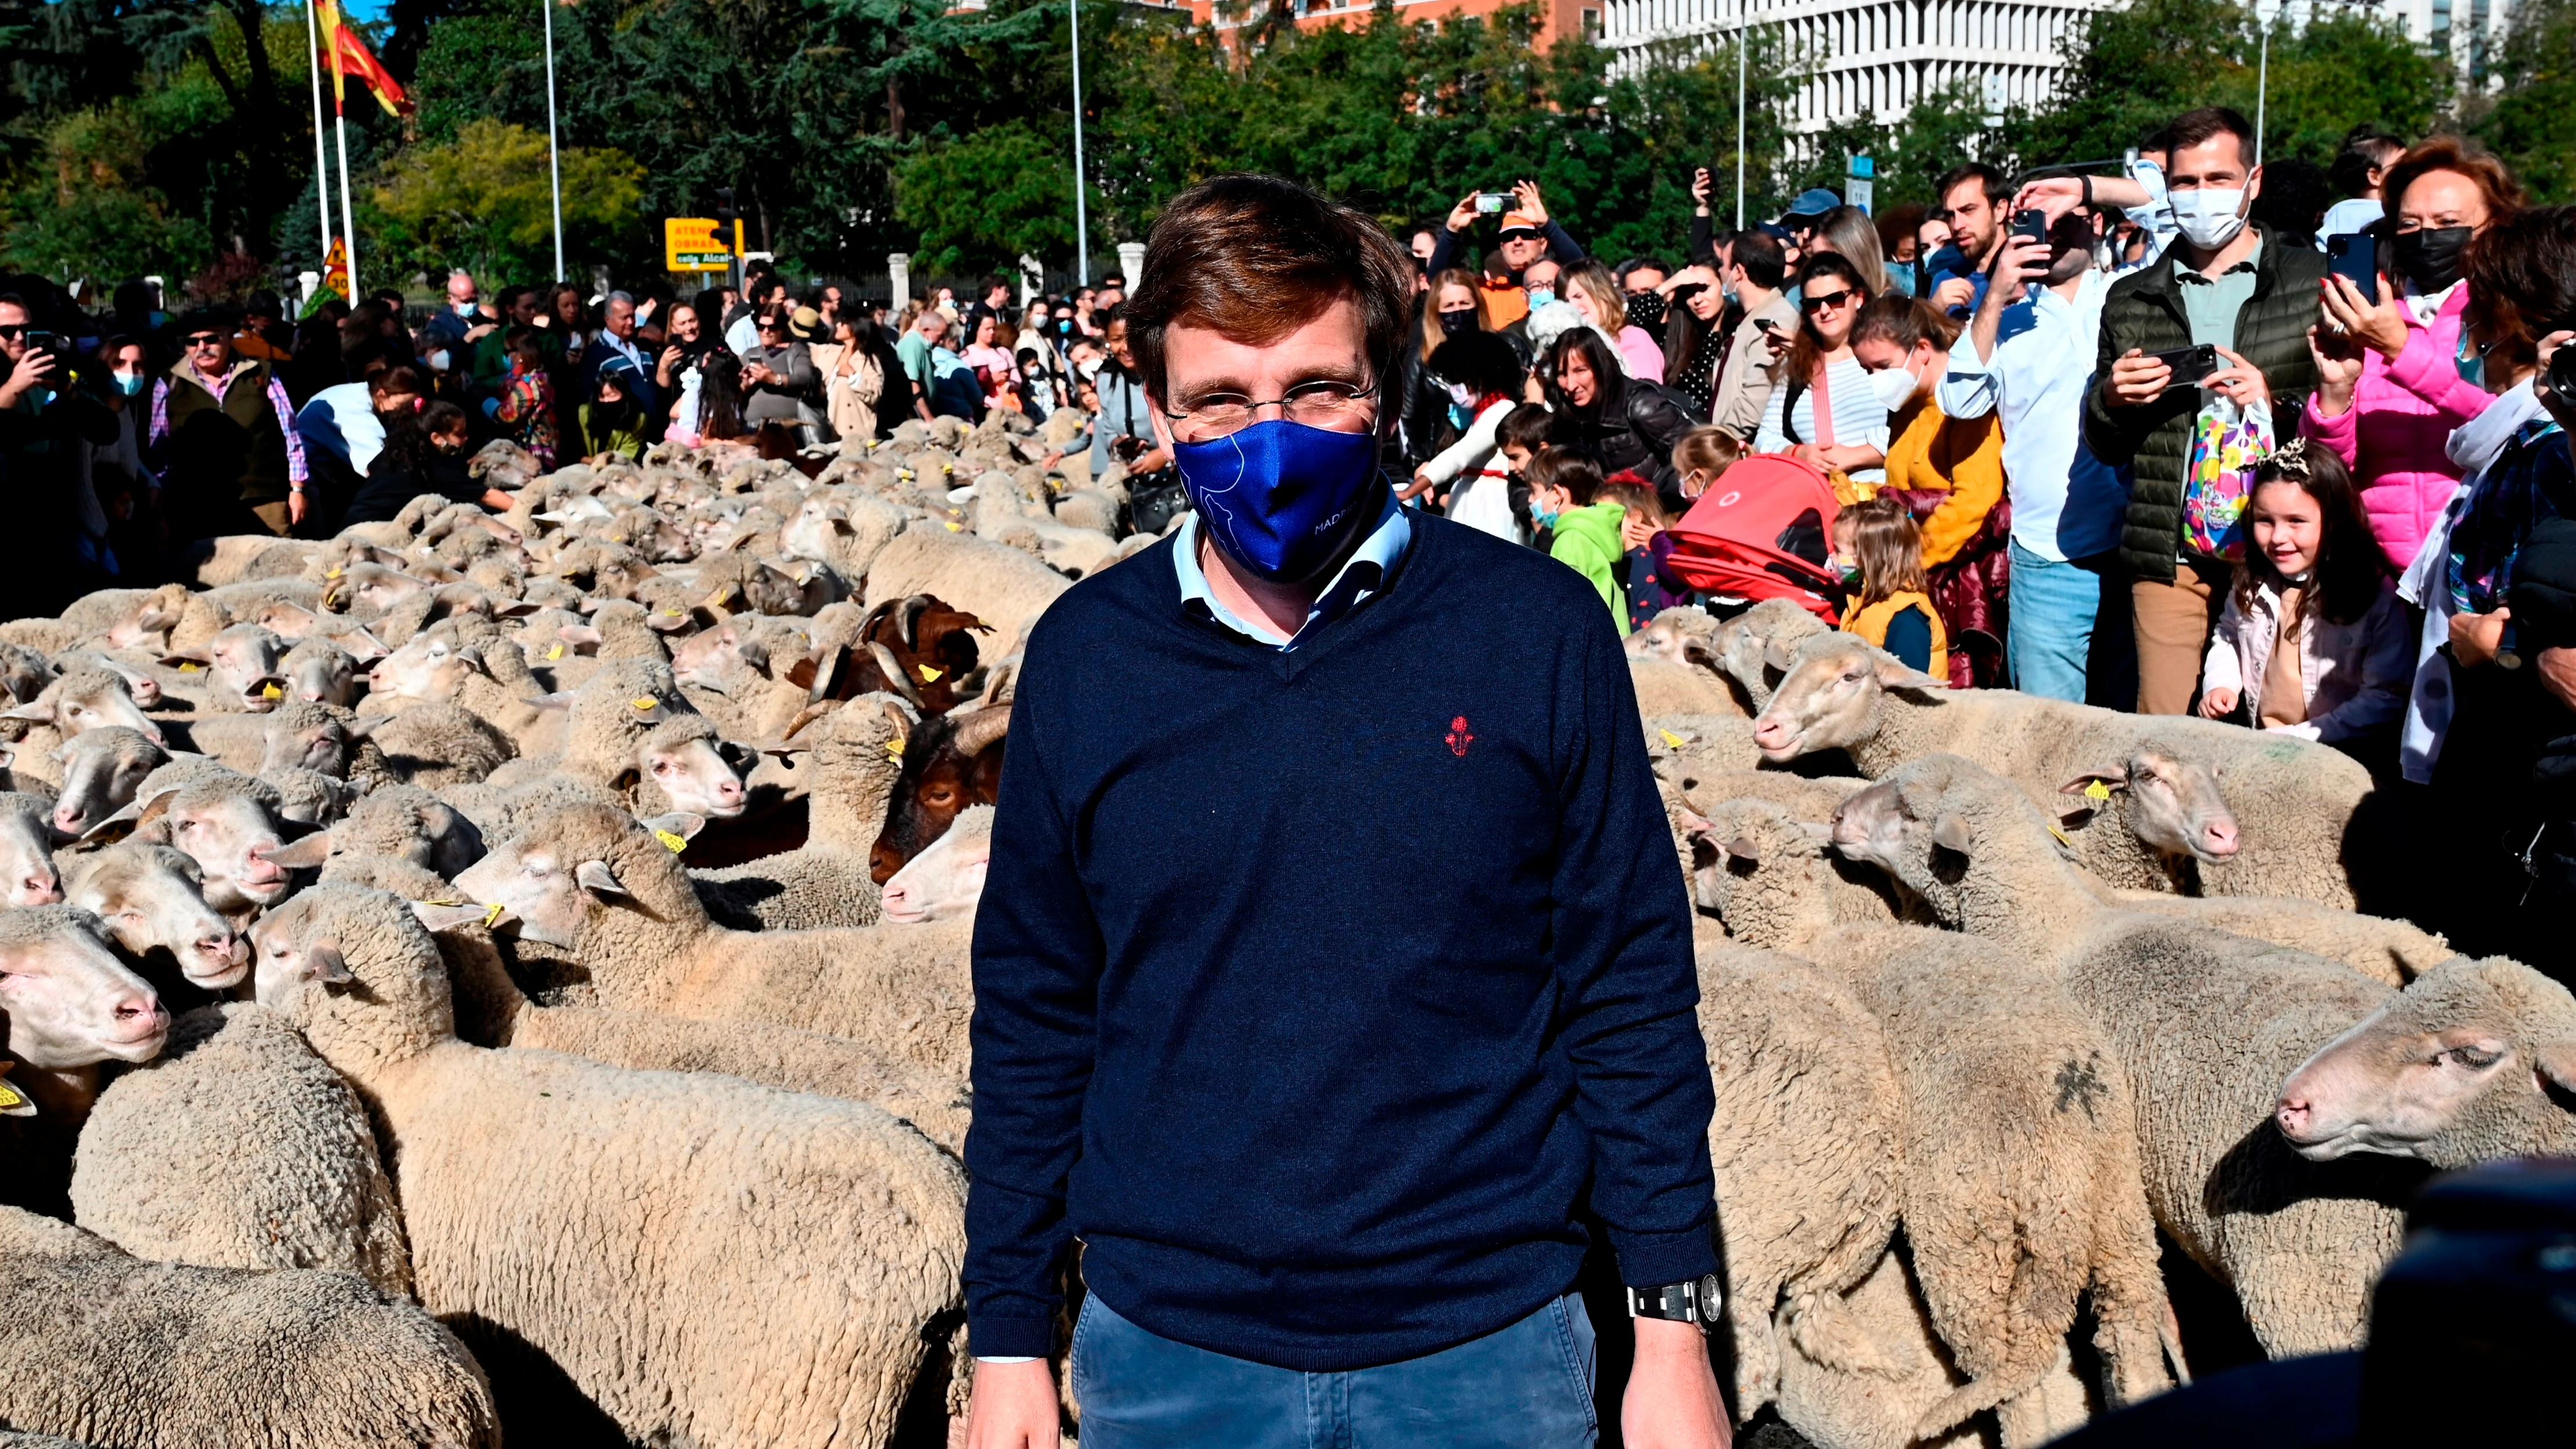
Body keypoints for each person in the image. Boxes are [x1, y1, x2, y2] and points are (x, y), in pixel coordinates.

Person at [961, 173, 1726, 1449]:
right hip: (1173, 1347)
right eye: (1219, 400)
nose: (1269, 432)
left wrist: (1673, 1329)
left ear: (1388, 392)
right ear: (1160, 410)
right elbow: (1037, 1007)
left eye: (1318, 389)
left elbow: (1628, 984)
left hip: (1488, 1340)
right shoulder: (1090, 659)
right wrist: (1007, 1336)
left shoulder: (1531, 631)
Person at [2085, 105, 2328, 716]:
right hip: (2170, 547)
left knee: (2281, 724)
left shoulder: (2310, 280)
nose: (2200, 196)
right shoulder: (2131, 295)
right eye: (2185, 182)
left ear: (2255, 181)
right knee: (2164, 732)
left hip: (2285, 543)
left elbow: (2348, 409)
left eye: (2218, 179)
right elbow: (2105, 443)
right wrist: (2113, 397)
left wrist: (2277, 405)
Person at [1940, 201, 2135, 705]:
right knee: (2057, 737)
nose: (2051, 234)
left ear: (2095, 221)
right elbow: (1960, 399)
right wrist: (1996, 295)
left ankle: (2108, 794)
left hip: (2135, 549)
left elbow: (2167, 203)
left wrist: (2089, 185)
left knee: (2130, 726)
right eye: (2037, 222)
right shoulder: (2007, 320)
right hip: (2047, 556)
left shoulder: (2132, 293)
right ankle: (2078, 794)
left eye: (2065, 217)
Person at [2304, 138, 2521, 572]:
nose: (2426, 236)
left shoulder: (2512, 319)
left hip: (2478, 569)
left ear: (2494, 225)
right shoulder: (2373, 318)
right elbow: (2326, 470)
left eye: (2448, 222)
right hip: (2381, 577)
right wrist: (2335, 394)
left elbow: (2512, 425)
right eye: (2408, 224)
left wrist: (2400, 350)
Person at [2195, 439, 2409, 752]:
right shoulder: (2253, 581)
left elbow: (2386, 697)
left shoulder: (2373, 596)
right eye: (2265, 521)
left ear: (2334, 521)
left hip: (2343, 756)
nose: (2279, 538)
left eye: (2296, 521)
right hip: (2263, 747)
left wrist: (2301, 737)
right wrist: (2221, 683)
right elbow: (2228, 636)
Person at [1850, 295, 2007, 686]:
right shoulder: (1907, 405)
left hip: (1955, 583)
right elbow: (1898, 489)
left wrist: (1911, 558)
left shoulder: (1965, 404)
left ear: (1921, 350)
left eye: (1882, 366)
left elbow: (1976, 500)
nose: (1875, 380)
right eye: (1866, 369)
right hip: (1915, 578)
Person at [0, 293, 118, 613]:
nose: (20, 338)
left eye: (27, 328)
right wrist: (13, 388)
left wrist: (67, 390)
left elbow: (107, 430)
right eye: (7, 332)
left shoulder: (51, 369)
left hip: (55, 518)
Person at [146, 309, 309, 541]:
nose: (202, 347)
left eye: (211, 338)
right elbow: (160, 448)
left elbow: (291, 434)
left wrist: (298, 489)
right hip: (198, 506)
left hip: (265, 499)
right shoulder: (168, 383)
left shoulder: (260, 373)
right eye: (193, 342)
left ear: (228, 336)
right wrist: (164, 502)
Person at [1756, 254, 1889, 485]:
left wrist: (1855, 456)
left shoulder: (1886, 354)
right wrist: (1799, 453)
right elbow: (1765, 437)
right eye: (1814, 304)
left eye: (1836, 299)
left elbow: (1915, 428)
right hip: (1821, 502)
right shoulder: (1797, 364)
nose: (1825, 310)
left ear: (1858, 298)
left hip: (1884, 500)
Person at [1545, 328, 1695, 505]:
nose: (1570, 385)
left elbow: (1691, 458)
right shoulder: (1568, 420)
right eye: (1562, 374)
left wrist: (1651, 504)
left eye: (1580, 371)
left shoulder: (1642, 407)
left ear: (1600, 367)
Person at [1408, 331, 1523, 540]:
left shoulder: (1502, 410)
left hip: (1489, 506)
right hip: (1470, 501)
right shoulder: (1480, 414)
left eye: (1464, 380)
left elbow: (1459, 455)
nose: (1458, 387)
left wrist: (1409, 492)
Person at [1427, 180, 1586, 329]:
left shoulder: (1557, 287)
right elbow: (1437, 282)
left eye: (1526, 235)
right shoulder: (1485, 292)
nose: (1517, 241)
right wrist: (1452, 231)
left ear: (1543, 243)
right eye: (1509, 237)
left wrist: (1547, 225)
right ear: (1502, 246)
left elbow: (1585, 272)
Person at [1833, 495, 1947, 676]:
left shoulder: (1906, 617)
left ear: (1869, 558)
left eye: (1839, 551)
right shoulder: (1861, 599)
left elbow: (1908, 691)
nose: (1833, 557)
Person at [1706, 229, 1799, 443]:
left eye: (1723, 264)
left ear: (1738, 271)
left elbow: (1754, 404)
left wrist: (1714, 446)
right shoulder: (1751, 319)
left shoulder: (1773, 322)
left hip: (1737, 452)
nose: (1720, 271)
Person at [1601, 476, 1694, 632]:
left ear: (1636, 518)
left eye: (1610, 516)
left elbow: (1647, 613)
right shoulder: (1624, 559)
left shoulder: (1643, 559)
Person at [1923, 164, 2010, 318]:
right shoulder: (1944, 281)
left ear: (2000, 210)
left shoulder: (2032, 274)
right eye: (1950, 215)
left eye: (1969, 210)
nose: (1957, 225)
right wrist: (1935, 312)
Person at [1088, 317, 1164, 484]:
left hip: (1178, 478)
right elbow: (1109, 430)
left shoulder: (1165, 373)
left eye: (1133, 337)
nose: (1126, 347)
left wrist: (1165, 455)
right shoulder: (1105, 380)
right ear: (1107, 340)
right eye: (1117, 339)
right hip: (1136, 480)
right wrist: (1120, 443)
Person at [1562, 261, 1664, 383]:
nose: (1571, 305)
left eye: (1579, 296)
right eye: (1564, 301)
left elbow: (1649, 397)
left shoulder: (1633, 339)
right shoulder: (1566, 349)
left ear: (1603, 294)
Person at [741, 310, 821, 436]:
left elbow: (804, 378)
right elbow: (734, 395)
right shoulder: (749, 354)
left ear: (782, 329)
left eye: (772, 327)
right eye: (761, 327)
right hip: (753, 426)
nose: (766, 332)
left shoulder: (795, 350)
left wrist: (773, 379)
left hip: (787, 425)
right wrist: (745, 385)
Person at [812, 314, 889, 442]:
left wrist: (853, 376)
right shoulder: (831, 352)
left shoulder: (868, 360)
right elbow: (803, 349)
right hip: (833, 431)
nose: (838, 325)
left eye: (843, 323)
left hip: (858, 434)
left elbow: (875, 393)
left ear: (856, 327)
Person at [2322, 129, 2408, 243]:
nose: (2411, 171)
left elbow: (2321, 253)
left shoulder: (2339, 215)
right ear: (2375, 177)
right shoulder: (2396, 213)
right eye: (2403, 165)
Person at [491, 327, 558, 468]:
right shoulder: (542, 376)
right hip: (544, 449)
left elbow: (508, 417)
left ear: (521, 353)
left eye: (508, 351)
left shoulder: (527, 385)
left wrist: (487, 404)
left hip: (533, 454)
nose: (506, 357)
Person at [577, 362, 648, 461]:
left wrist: (603, 461)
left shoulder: (638, 420)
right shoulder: (584, 413)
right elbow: (576, 447)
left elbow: (629, 452)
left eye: (612, 396)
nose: (606, 401)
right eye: (602, 397)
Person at [898, 309, 947, 421]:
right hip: (915, 412)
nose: (941, 342)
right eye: (939, 336)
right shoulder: (913, 345)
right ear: (926, 330)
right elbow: (913, 384)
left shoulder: (923, 345)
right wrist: (927, 416)